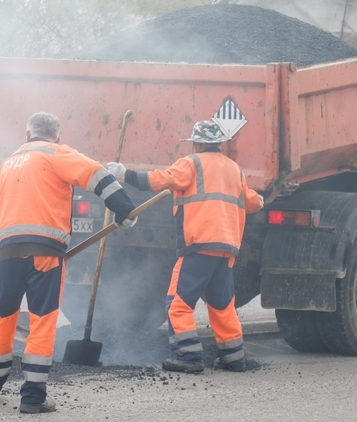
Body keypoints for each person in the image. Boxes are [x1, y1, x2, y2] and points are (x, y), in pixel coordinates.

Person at [0, 112, 137, 414]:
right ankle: (33, 397)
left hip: (8, 253)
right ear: (57, 137)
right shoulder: (55, 153)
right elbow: (95, 174)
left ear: (27, 135)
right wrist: (124, 208)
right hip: (45, 253)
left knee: (3, 316)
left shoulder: (7, 163)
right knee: (42, 319)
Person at [107, 120, 264, 373]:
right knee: (222, 305)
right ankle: (234, 358)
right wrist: (260, 200)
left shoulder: (191, 163)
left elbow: (161, 180)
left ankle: (188, 356)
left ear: (197, 143)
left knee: (177, 303)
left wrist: (126, 175)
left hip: (199, 244)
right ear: (219, 143)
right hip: (227, 249)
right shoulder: (235, 169)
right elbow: (251, 202)